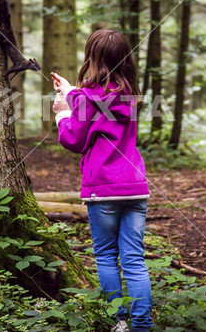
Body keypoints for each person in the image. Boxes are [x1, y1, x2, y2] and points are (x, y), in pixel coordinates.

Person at [52, 29, 153, 332]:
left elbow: (73, 138)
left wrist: (61, 114)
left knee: (107, 257)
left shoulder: (85, 100)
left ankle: (118, 322)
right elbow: (96, 100)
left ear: (91, 58)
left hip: (103, 191)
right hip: (135, 188)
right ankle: (142, 326)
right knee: (134, 261)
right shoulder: (131, 96)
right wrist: (71, 93)